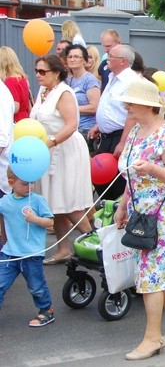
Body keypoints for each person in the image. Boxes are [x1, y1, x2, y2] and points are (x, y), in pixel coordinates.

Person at [114, 78, 165, 360]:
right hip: (141, 210)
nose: (126, 106)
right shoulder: (136, 130)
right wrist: (123, 205)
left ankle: (152, 338)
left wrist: (152, 170)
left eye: (131, 101)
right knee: (153, 272)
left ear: (147, 104)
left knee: (150, 274)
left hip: (164, 213)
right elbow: (131, 174)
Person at [30, 55, 94, 265]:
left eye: (43, 71)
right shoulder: (42, 92)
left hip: (66, 150)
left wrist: (52, 142)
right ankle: (63, 249)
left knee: (70, 202)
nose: (38, 75)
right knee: (54, 202)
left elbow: (71, 125)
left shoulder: (64, 93)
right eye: (36, 71)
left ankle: (96, 241)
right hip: (48, 151)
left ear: (56, 73)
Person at [0, 168, 55, 327]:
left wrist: (34, 218)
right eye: (25, 184)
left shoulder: (37, 200)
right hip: (9, 253)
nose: (29, 186)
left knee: (36, 286)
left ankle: (46, 310)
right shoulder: (5, 202)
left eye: (32, 182)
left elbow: (50, 222)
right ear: (11, 183)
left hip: (32, 254)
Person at [88, 44, 140, 200]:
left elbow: (132, 114)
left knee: (116, 182)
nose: (107, 59)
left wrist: (123, 142)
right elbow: (112, 108)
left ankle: (120, 217)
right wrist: (100, 124)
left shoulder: (131, 81)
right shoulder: (111, 78)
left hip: (120, 137)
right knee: (100, 178)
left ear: (123, 61)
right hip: (106, 137)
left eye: (111, 56)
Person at [64, 44, 101, 153]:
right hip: (70, 128)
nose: (72, 59)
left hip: (85, 130)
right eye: (70, 57)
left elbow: (94, 107)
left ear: (84, 61)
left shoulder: (90, 80)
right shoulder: (67, 80)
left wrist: (72, 108)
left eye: (76, 57)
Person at [0, 46, 32, 122]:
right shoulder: (22, 78)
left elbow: (15, 107)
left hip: (15, 121)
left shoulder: (10, 81)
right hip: (24, 118)